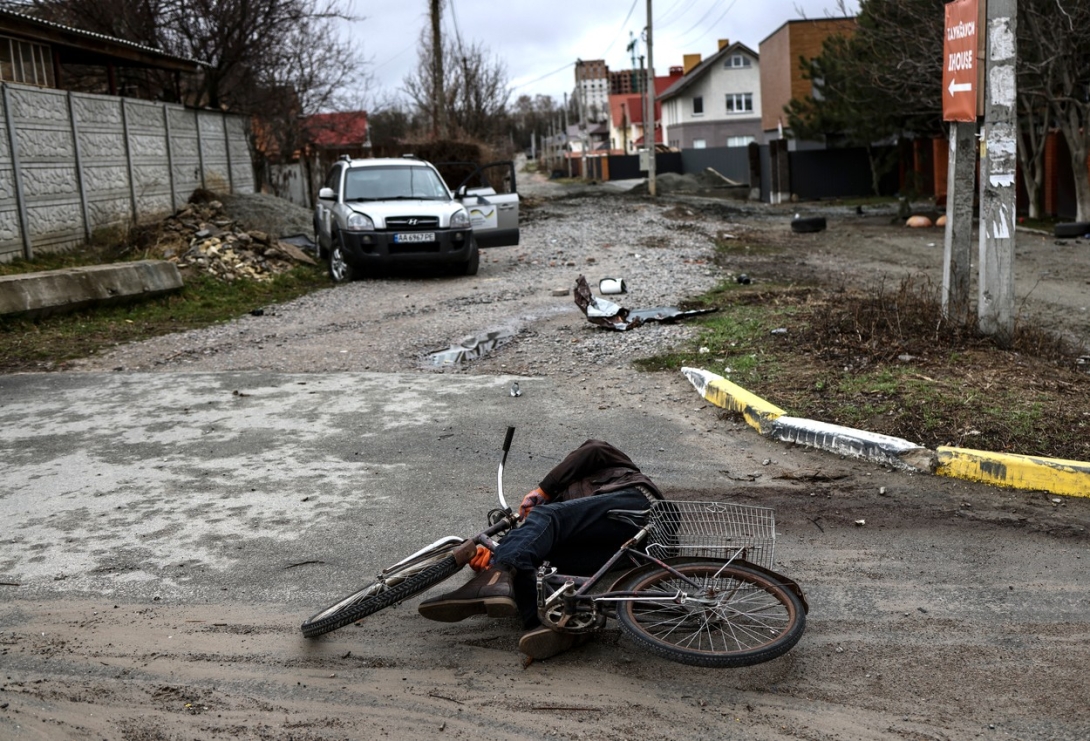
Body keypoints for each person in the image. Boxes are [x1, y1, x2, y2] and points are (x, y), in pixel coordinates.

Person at [417, 439, 662, 660]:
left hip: (635, 509)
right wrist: (492, 557)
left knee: (546, 517)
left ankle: (496, 576)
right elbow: (532, 542)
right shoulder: (562, 510)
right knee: (535, 565)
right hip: (622, 549)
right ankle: (560, 623)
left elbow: (593, 449)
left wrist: (543, 490)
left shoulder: (610, 467)